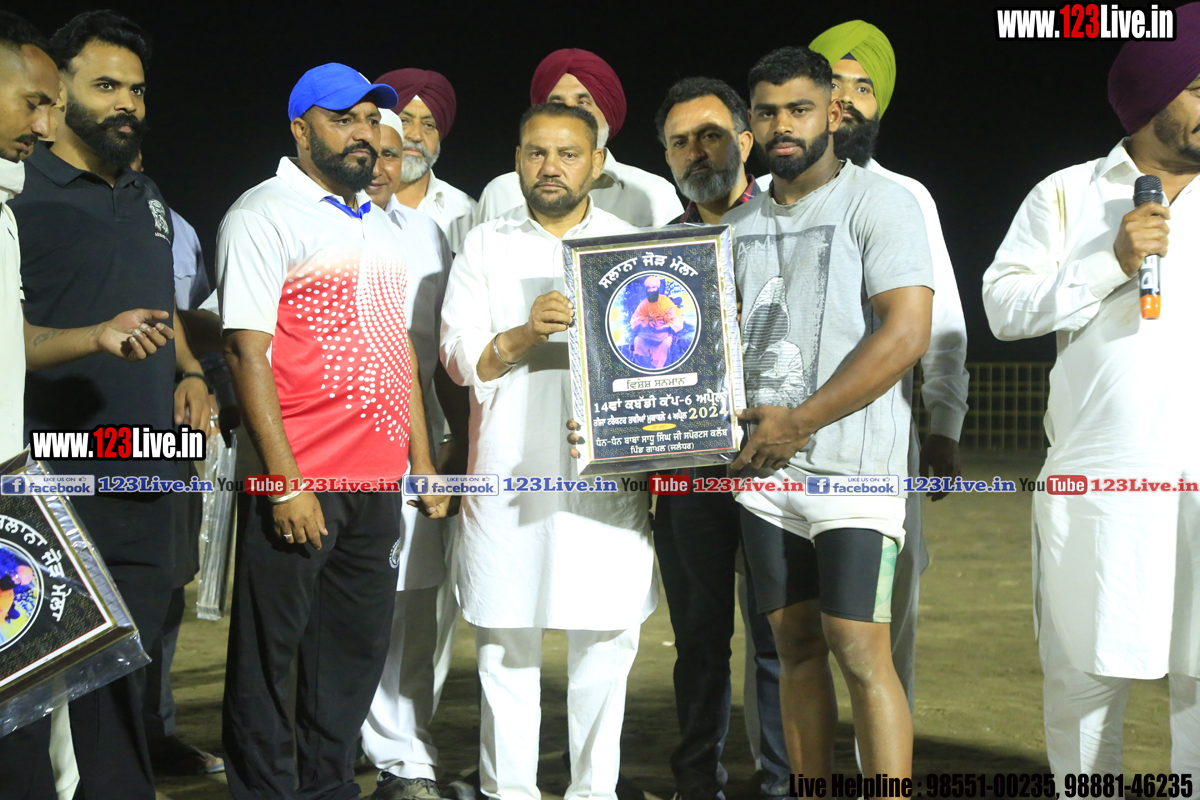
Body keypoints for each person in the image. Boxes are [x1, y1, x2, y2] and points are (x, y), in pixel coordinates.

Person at [981, 2, 1200, 777]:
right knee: (1085, 687)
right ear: (1151, 96)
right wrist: (1111, 262)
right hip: (1103, 485)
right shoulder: (1067, 194)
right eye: (1199, 88)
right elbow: (1004, 308)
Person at [218, 63, 447, 800]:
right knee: (271, 661)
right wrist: (285, 483)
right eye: (342, 119)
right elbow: (245, 350)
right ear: (301, 128)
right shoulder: (264, 213)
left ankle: (328, 789)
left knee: (349, 658)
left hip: (376, 483)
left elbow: (396, 350)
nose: (363, 134)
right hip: (301, 480)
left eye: (371, 120)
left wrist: (421, 460)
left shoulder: (376, 223)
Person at [4, 12, 211, 800]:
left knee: (128, 672)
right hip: (51, 476)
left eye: (138, 89)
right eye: (106, 86)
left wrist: (191, 371)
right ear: (58, 92)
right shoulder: (19, 189)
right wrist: (93, 337)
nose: (128, 102)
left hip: (147, 470)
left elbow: (159, 304)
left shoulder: (148, 194)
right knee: (34, 683)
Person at [726, 46, 933, 784]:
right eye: (768, 112)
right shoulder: (737, 227)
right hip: (764, 477)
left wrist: (801, 420)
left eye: (800, 109)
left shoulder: (881, 203)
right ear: (751, 124)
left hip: (856, 474)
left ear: (833, 113)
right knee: (795, 650)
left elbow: (906, 334)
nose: (783, 125)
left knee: (859, 647)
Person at [440, 102, 656, 800]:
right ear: (517, 160)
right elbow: (457, 358)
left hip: (605, 479)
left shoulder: (631, 245)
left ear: (597, 163)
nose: (551, 167)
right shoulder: (485, 245)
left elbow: (664, 360)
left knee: (606, 645)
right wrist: (524, 333)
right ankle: (509, 793)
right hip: (510, 474)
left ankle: (594, 793)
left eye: (568, 153)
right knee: (506, 648)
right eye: (536, 153)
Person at [804, 20, 970, 710]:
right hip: (773, 451)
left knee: (885, 627)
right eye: (833, 82)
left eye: (863, 87)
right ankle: (784, 768)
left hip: (882, 454)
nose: (846, 98)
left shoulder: (905, 198)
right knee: (784, 638)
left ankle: (883, 764)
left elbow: (944, 326)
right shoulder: (762, 196)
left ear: (880, 105)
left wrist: (944, 427)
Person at [647, 75, 790, 800]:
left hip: (774, 463)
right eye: (680, 142)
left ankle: (781, 782)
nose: (695, 152)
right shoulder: (652, 254)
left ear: (745, 141)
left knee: (777, 638)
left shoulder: (790, 224)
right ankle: (696, 781)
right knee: (699, 639)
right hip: (688, 467)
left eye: (709, 135)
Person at [361, 107, 456, 800]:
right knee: (340, 603)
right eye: (370, 150)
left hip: (416, 444)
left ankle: (405, 759)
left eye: (392, 154)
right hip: (329, 446)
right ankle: (333, 746)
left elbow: (440, 354)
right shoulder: (294, 220)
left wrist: (446, 448)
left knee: (413, 607)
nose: (380, 165)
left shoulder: (426, 234)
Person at [473, 49, 681, 227]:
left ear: (607, 114)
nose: (571, 115)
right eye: (557, 104)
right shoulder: (501, 192)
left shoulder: (655, 192)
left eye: (583, 103)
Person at [375, 69, 477, 253]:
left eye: (429, 125)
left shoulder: (466, 212)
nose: (416, 135)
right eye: (404, 121)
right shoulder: (350, 200)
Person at [630, 275, 682, 369]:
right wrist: (645, 322)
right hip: (647, 334)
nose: (651, 290)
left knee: (666, 343)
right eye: (649, 288)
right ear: (646, 290)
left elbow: (677, 318)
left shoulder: (666, 301)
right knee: (637, 340)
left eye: (653, 287)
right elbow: (634, 319)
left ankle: (656, 368)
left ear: (658, 288)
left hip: (664, 333)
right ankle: (642, 367)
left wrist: (665, 327)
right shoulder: (643, 304)